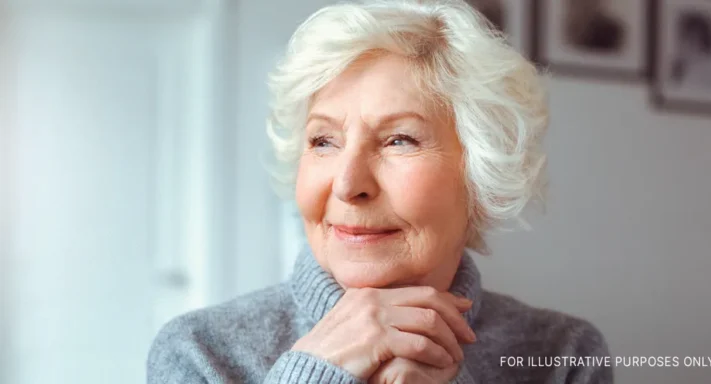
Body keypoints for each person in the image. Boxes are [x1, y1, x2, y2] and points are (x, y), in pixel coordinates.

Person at [146, 0, 613, 383]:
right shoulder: (199, 351)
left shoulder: (563, 357)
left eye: (398, 140)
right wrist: (312, 375)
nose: (348, 185)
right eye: (323, 141)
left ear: (481, 172)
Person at [669, 11, 711, 90]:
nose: (686, 44)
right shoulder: (679, 66)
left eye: (693, 40)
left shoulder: (707, 68)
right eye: (685, 39)